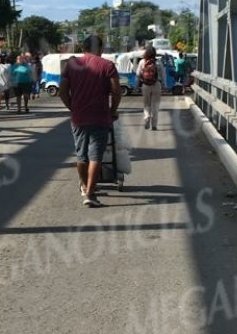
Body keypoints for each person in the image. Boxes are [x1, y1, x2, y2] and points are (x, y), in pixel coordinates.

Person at [59, 35, 121, 208]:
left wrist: (73, 108)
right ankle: (90, 194)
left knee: (81, 155)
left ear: (83, 48)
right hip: (100, 117)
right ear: (99, 48)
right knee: (95, 157)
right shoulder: (108, 66)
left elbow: (62, 92)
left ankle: (85, 186)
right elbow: (116, 92)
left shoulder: (71, 65)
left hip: (79, 118)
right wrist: (112, 111)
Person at [136, 46, 162, 130]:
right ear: (154, 53)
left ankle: (147, 117)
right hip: (156, 84)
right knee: (155, 105)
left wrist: (137, 85)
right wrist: (165, 85)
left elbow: (137, 74)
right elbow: (163, 74)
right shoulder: (158, 62)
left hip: (145, 85)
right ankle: (154, 125)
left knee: (146, 104)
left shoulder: (142, 62)